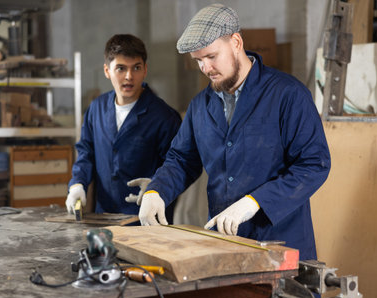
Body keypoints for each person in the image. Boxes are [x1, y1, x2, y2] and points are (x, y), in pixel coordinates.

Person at [135, 4, 330, 260]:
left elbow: (314, 165)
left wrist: (254, 202)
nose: (205, 68)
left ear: (236, 42)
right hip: (224, 243)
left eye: (212, 56)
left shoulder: (288, 95)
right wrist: (156, 191)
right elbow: (182, 160)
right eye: (198, 60)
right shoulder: (200, 107)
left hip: (281, 243)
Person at [66, 34, 181, 219]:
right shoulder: (96, 109)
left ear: (145, 70)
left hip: (145, 221)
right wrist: (77, 184)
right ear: (107, 70)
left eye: (136, 68)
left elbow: (177, 166)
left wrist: (157, 187)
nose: (129, 76)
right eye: (120, 68)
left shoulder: (164, 117)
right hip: (103, 217)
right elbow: (86, 152)